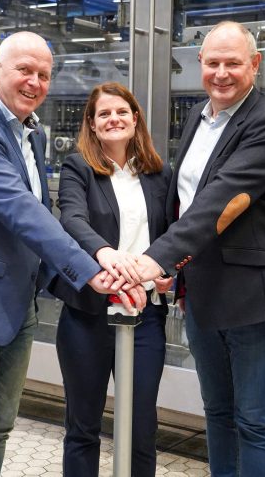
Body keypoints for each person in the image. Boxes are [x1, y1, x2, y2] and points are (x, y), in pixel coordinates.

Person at [0, 32, 143, 477]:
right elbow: (21, 211)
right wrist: (89, 269)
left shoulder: (31, 134)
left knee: (0, 428)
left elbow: (41, 212)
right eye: (24, 70)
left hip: (17, 307)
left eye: (44, 75)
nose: (35, 82)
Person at [135, 21, 265, 476]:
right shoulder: (198, 116)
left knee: (257, 419)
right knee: (219, 413)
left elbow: (220, 199)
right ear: (199, 64)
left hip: (249, 296)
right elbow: (184, 199)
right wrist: (173, 264)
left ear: (255, 65)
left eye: (233, 63)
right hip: (200, 291)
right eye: (212, 63)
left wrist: (156, 258)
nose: (221, 73)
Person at [50, 82, 173, 477]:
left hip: (145, 316)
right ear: (92, 123)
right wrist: (109, 256)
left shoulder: (158, 172)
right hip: (88, 315)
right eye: (104, 113)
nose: (114, 119)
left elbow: (172, 232)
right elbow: (72, 220)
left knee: (142, 427)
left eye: (122, 111)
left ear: (135, 119)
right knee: (83, 426)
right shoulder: (78, 168)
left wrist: (170, 270)